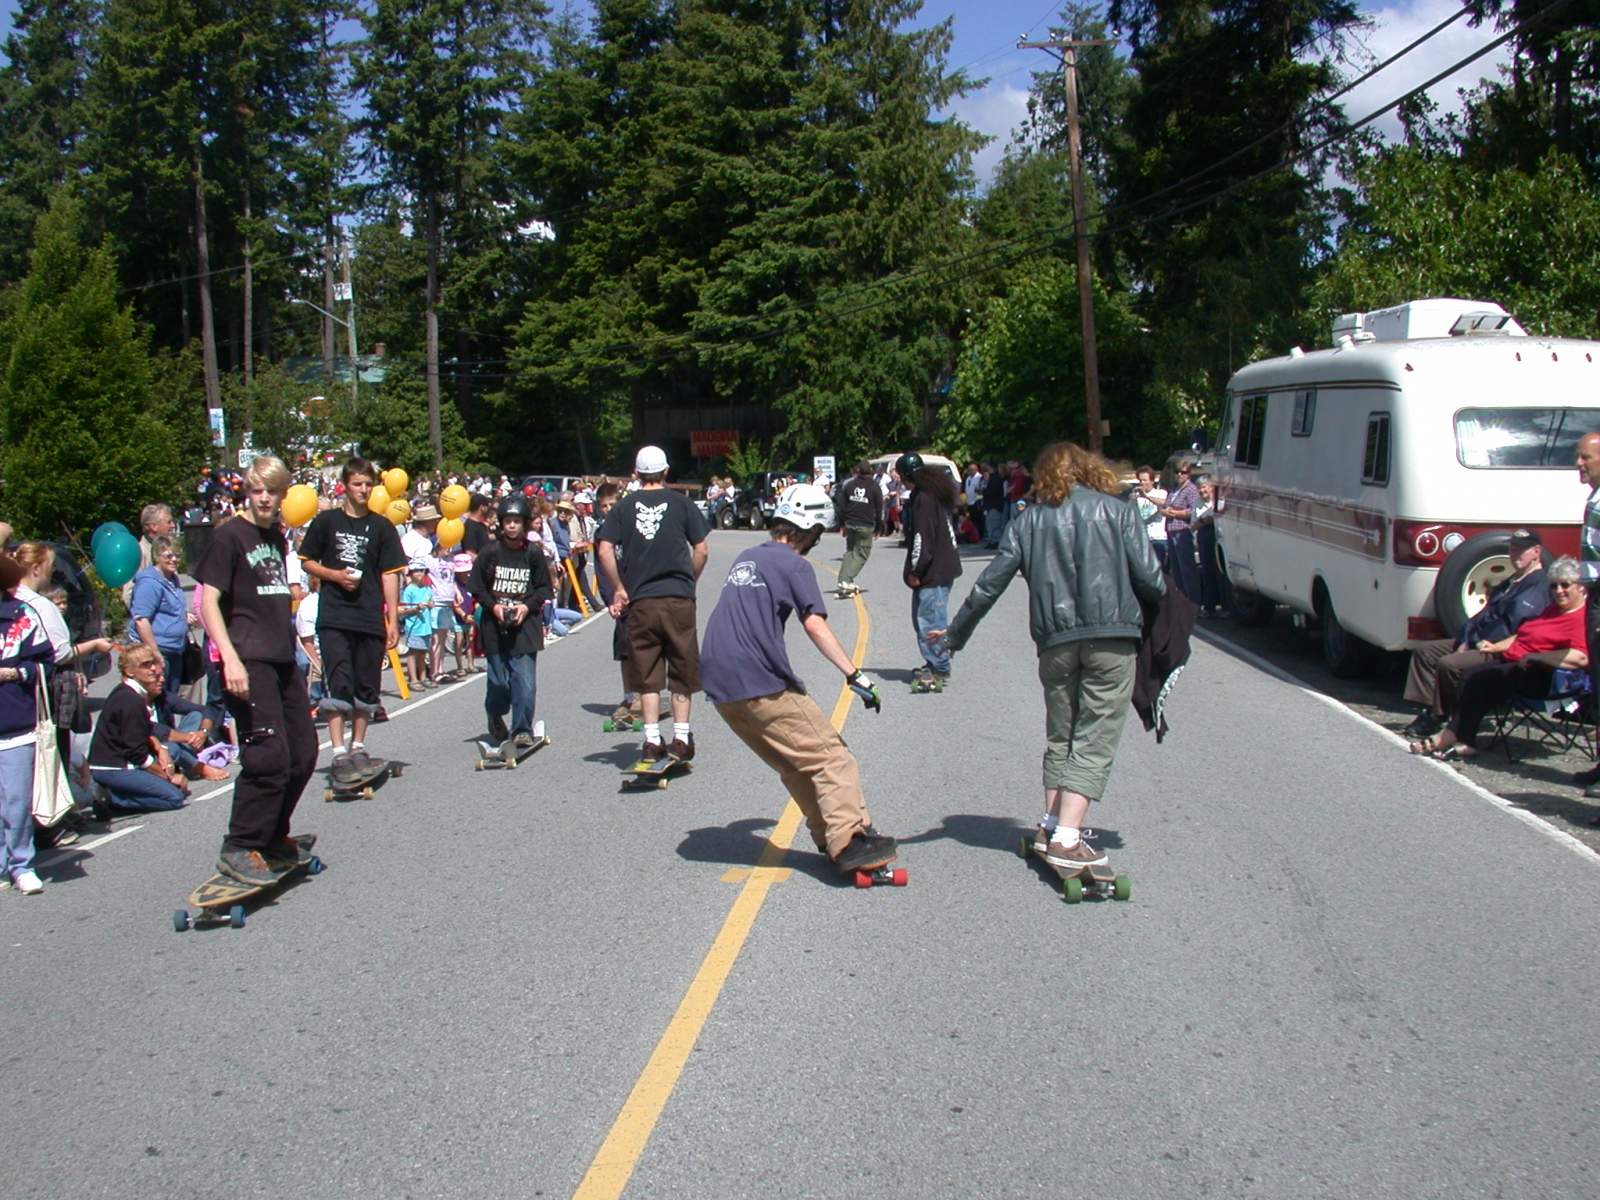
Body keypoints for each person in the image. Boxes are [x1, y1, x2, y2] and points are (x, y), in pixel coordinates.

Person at [933, 442, 1165, 871]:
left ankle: (1051, 821)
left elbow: (989, 584)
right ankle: (1068, 836)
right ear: (1089, 470)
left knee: (1062, 733)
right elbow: (1153, 581)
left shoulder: (1028, 521)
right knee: (1094, 736)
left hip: (1055, 641)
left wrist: (954, 636)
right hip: (1112, 637)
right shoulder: (1119, 511)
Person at [700, 484, 897, 872]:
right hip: (757, 677)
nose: (816, 542)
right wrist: (854, 674)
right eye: (818, 534)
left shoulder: (747, 557)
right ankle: (851, 842)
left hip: (719, 684)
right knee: (832, 757)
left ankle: (829, 835)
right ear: (807, 528)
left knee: (795, 762)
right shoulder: (794, 564)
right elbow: (815, 625)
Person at [194, 454, 320, 885]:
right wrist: (229, 658)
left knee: (303, 754)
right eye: (256, 490)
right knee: (267, 756)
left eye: (272, 491)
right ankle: (241, 844)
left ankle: (272, 834)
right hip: (247, 659)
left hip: (282, 658)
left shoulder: (277, 538)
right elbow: (207, 602)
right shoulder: (228, 537)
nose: (264, 498)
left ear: (283, 494)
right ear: (246, 492)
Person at [596, 446, 711, 762]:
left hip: (642, 599)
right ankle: (682, 737)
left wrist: (619, 587)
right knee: (681, 665)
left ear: (636, 474)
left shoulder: (623, 507)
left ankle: (651, 739)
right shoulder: (683, 504)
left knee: (647, 671)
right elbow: (701, 548)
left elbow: (605, 549)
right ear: (666, 471)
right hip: (677, 596)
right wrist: (689, 579)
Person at [1409, 558, 1588, 760]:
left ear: (1581, 588)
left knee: (1478, 679)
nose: (1558, 591)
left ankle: (1452, 736)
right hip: (1517, 662)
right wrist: (1496, 646)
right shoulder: (1552, 610)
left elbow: (1580, 657)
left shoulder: (1582, 618)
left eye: (1565, 585)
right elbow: (1523, 635)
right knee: (1469, 675)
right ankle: (1462, 738)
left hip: (1544, 677)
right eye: (1554, 586)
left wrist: (1538, 656)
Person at [297, 457, 405, 780]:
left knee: (366, 684)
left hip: (369, 615)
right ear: (345, 485)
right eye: (357, 484)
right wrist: (334, 575)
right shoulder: (327, 522)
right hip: (335, 615)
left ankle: (358, 745)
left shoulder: (382, 526)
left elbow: (390, 575)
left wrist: (393, 620)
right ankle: (338, 750)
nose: (363, 490)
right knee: (338, 681)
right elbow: (306, 561)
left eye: (368, 484)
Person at [1403, 529, 1549, 739]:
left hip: (1500, 648)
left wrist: (1487, 644)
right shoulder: (1509, 583)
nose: (1515, 554)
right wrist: (1465, 638)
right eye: (1512, 549)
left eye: (1521, 550)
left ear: (1536, 552)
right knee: (1426, 652)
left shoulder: (1540, 587)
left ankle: (1444, 717)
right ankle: (1430, 711)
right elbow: (1481, 616)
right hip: (1477, 639)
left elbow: (1524, 628)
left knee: (1449, 664)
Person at [468, 494, 552, 748]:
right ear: (501, 523)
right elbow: (477, 588)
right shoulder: (490, 552)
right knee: (499, 683)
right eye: (508, 521)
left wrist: (526, 607)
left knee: (524, 681)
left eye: (517, 521)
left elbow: (544, 590)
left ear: (525, 524)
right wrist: (493, 608)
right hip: (494, 626)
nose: (512, 526)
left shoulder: (534, 554)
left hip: (525, 626)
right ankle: (494, 713)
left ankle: (522, 728)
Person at [0, 553, 55, 893]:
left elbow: (46, 663)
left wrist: (15, 672)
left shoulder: (22, 616)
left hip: (15, 722)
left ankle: (21, 862)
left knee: (17, 799)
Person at [87, 644, 190, 815]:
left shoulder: (131, 694)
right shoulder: (130, 701)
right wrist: (168, 777)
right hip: (113, 768)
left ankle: (130, 790)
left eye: (152, 663)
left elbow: (146, 729)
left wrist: (160, 749)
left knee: (171, 750)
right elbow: (136, 753)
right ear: (129, 671)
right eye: (145, 665)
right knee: (174, 797)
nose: (153, 669)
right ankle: (112, 799)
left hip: (124, 762)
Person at [900, 454, 962, 688]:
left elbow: (921, 539)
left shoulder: (924, 498)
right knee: (923, 618)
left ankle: (940, 667)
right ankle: (934, 660)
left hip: (933, 571)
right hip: (942, 566)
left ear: (907, 476)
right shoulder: (932, 492)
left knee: (930, 621)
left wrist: (916, 570)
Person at [126, 535, 196, 704]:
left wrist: (183, 617)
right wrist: (155, 653)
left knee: (169, 699)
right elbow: (141, 620)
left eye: (177, 556)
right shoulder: (150, 583)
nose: (174, 560)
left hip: (175, 649)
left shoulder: (172, 578)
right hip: (160, 650)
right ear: (157, 557)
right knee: (159, 700)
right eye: (168, 556)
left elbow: (169, 608)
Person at [833, 461, 882, 596]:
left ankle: (842, 580)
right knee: (861, 554)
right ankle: (847, 580)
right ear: (870, 471)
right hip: (865, 524)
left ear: (858, 471)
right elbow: (879, 509)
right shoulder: (874, 486)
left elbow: (842, 506)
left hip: (850, 523)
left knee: (850, 551)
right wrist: (879, 527)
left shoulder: (849, 485)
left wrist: (843, 524)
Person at [1162, 460, 1204, 604]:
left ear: (1189, 474)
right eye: (1177, 472)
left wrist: (1175, 513)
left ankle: (1193, 603)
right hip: (1171, 530)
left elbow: (1194, 510)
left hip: (1183, 531)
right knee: (1176, 571)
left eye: (1183, 472)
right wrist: (1165, 511)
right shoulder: (1174, 489)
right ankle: (1181, 602)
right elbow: (1166, 505)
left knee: (1187, 570)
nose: (1179, 475)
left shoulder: (1191, 489)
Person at [121, 502, 176, 607]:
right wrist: (145, 618)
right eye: (168, 522)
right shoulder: (139, 553)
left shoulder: (167, 550)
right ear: (153, 526)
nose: (173, 526)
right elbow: (129, 595)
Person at [400, 560, 435, 689]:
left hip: (426, 627)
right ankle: (413, 679)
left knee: (422, 653)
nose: (420, 573)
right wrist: (416, 608)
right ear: (411, 573)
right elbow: (404, 609)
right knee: (412, 653)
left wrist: (431, 605)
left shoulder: (427, 589)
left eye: (422, 570)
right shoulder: (409, 590)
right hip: (414, 626)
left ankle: (423, 677)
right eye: (416, 571)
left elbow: (431, 602)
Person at [1133, 466, 1168, 568]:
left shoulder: (1160, 493)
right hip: (1143, 538)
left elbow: (1163, 503)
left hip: (1158, 538)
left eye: (1145, 480)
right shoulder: (1137, 496)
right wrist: (1132, 501)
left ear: (1152, 481)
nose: (1142, 483)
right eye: (1140, 480)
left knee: (1158, 567)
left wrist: (1146, 496)